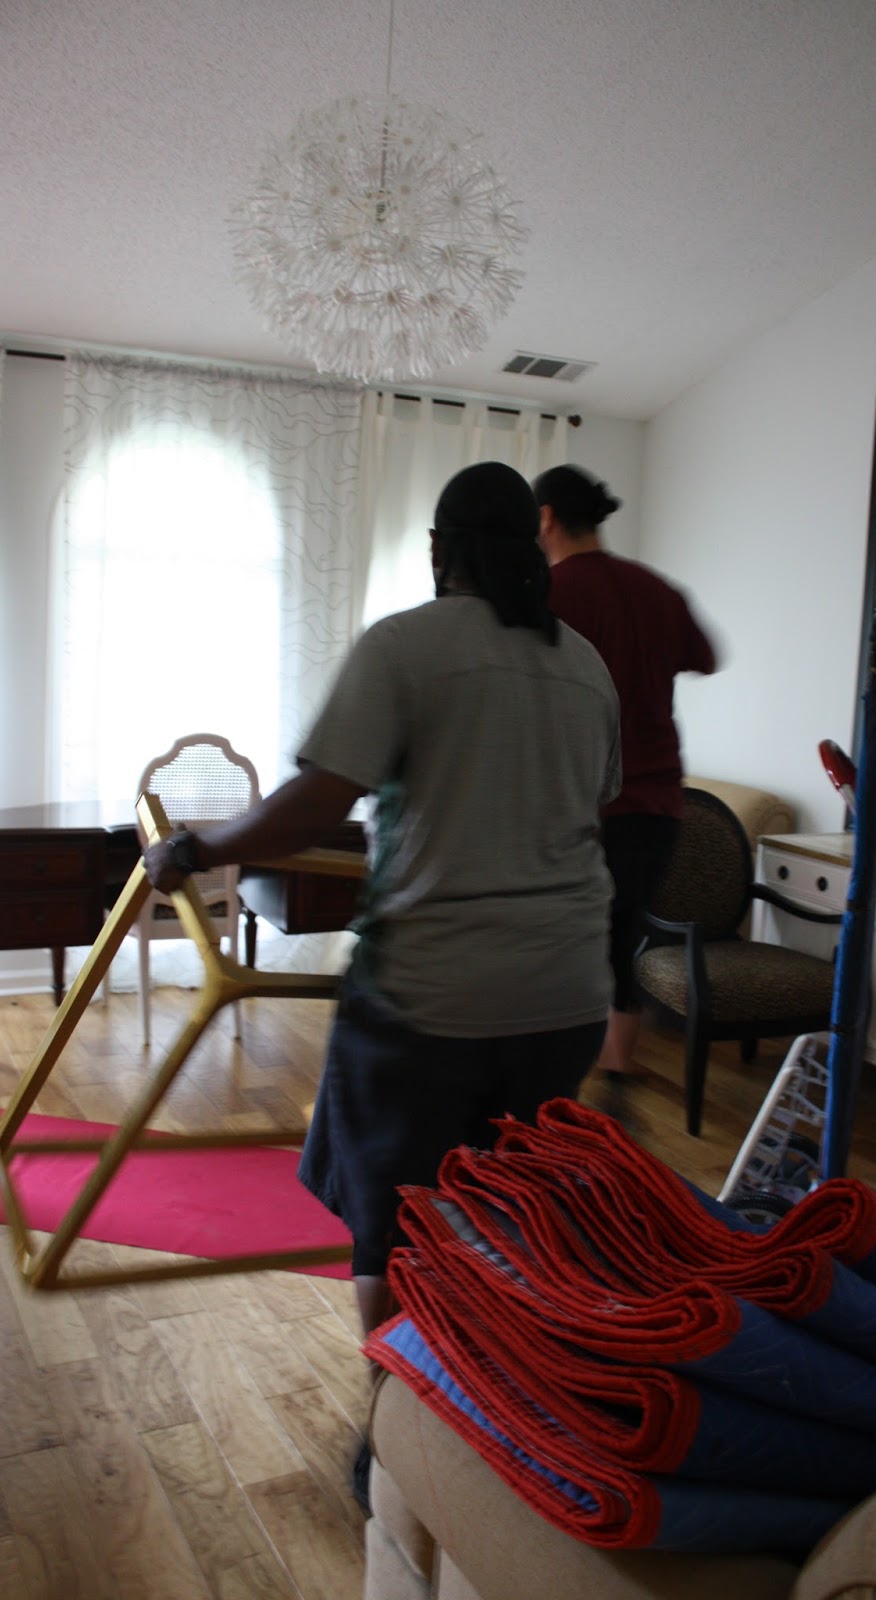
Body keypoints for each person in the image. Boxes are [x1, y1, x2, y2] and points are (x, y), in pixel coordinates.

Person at [144, 461, 621, 1504]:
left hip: (435, 996)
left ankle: (402, 1443)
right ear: (532, 548)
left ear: (439, 551)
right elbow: (579, 806)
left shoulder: (407, 644)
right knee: (506, 1205)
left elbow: (314, 806)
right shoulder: (584, 665)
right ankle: (508, 1410)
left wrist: (194, 845)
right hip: (565, 994)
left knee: (395, 1221)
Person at [533, 463, 718, 1085]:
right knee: (621, 937)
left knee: (558, 940)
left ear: (546, 518)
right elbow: (705, 657)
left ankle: (552, 1075)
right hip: (657, 801)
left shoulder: (550, 591)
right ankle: (616, 1069)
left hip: (579, 802)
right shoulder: (655, 588)